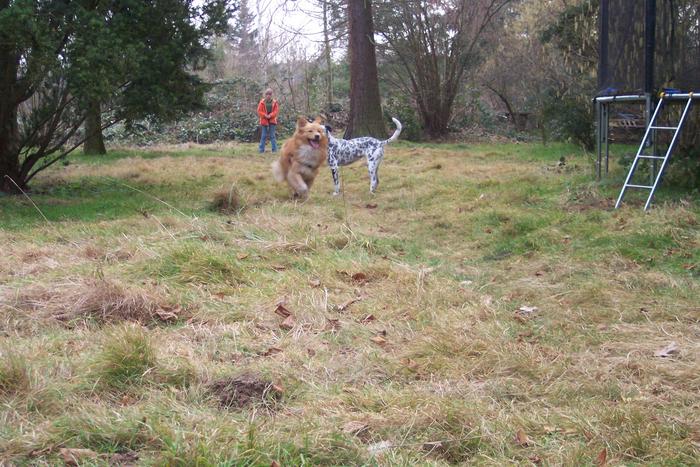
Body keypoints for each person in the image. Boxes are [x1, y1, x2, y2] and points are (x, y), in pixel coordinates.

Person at [257, 88, 279, 153]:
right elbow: (259, 111)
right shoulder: (261, 102)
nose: (268, 95)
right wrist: (265, 115)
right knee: (263, 135)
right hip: (264, 120)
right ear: (265, 95)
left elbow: (276, 111)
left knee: (272, 135)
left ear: (271, 95)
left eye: (270, 94)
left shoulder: (275, 102)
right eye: (267, 94)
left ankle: (274, 150)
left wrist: (270, 115)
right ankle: (261, 150)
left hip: (272, 120)